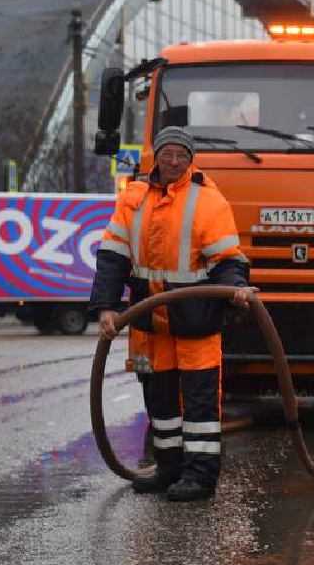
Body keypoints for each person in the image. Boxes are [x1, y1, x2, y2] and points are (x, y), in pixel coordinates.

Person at [90, 125, 254, 502]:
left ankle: (200, 475)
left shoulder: (209, 202)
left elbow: (227, 259)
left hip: (196, 320)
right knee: (160, 400)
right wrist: (106, 308)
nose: (175, 161)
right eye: (168, 154)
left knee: (199, 402)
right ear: (157, 157)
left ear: (191, 158)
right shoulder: (134, 200)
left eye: (182, 154)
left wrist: (236, 290)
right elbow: (113, 258)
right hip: (151, 324)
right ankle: (168, 467)